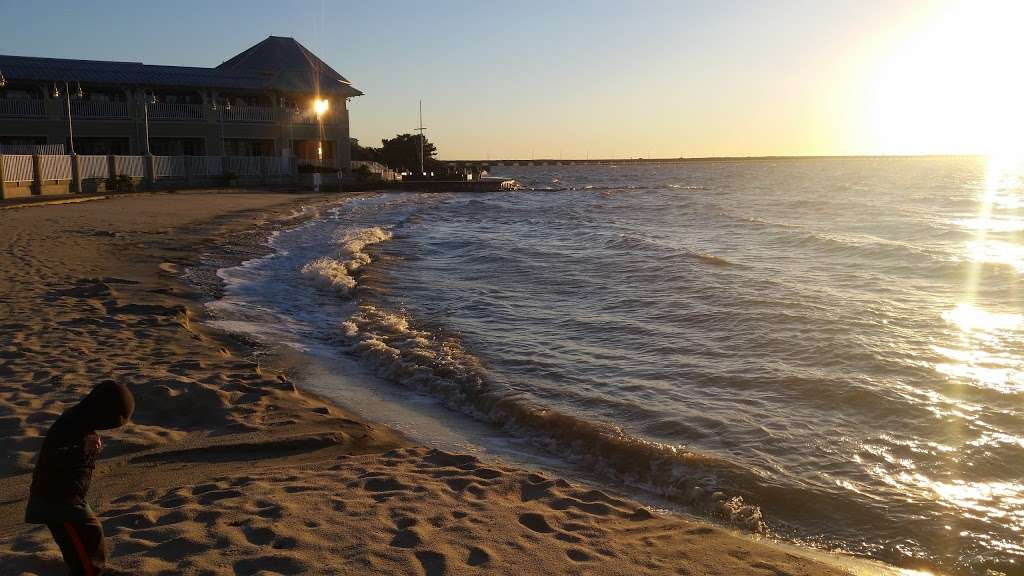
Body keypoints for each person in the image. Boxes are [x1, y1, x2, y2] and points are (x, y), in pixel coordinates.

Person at [24, 380, 135, 576]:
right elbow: (54, 456)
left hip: (70, 498)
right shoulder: (70, 424)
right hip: (57, 502)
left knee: (91, 534)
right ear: (101, 412)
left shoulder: (82, 422)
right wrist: (81, 450)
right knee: (85, 553)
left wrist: (87, 451)